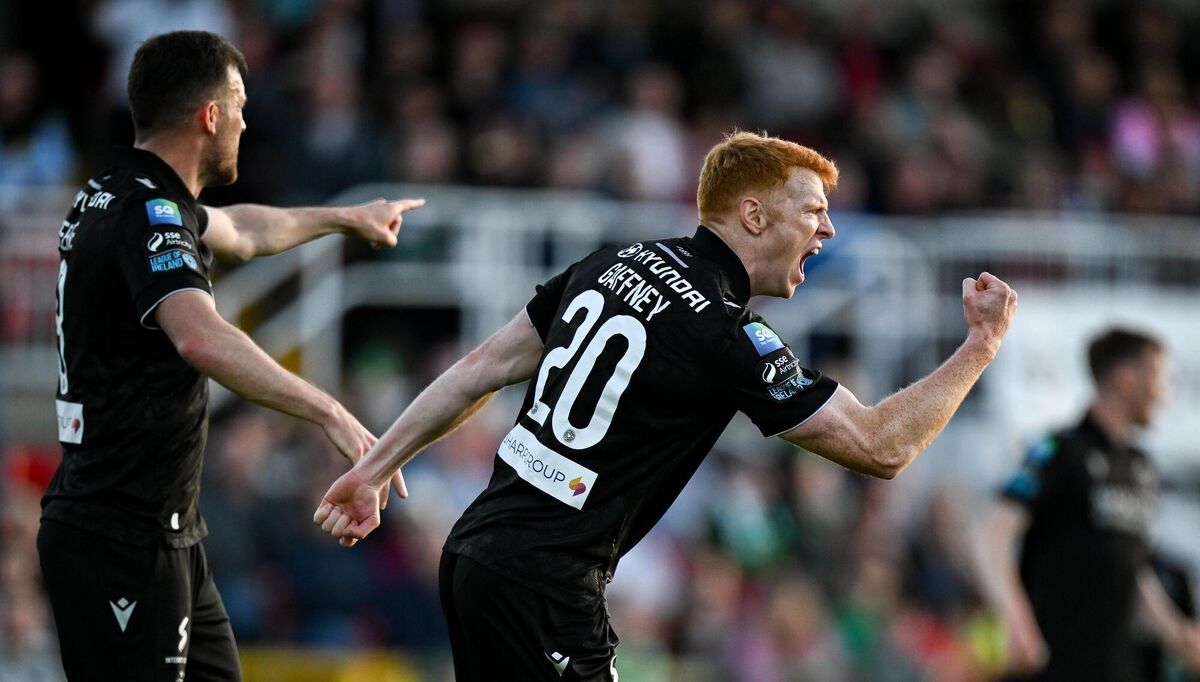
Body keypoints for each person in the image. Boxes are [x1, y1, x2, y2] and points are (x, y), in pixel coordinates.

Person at [314, 131, 1019, 681]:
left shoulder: (611, 263)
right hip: (546, 585)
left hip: (475, 555)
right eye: (813, 211)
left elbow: (477, 370)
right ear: (752, 214)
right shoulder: (725, 329)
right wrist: (979, 348)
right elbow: (878, 446)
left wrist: (374, 468)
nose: (828, 231)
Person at [37, 31, 421, 681]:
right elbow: (199, 336)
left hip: (166, 532)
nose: (246, 119)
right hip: (120, 537)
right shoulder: (148, 213)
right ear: (209, 116)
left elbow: (242, 230)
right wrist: (327, 409)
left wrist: (345, 218)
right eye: (237, 103)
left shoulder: (125, 192)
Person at [976, 328, 1200, 681]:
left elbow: (1133, 568)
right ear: (1125, 378)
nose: (1164, 394)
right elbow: (993, 534)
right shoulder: (1057, 451)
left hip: (1117, 668)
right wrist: (1015, 620)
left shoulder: (1141, 467)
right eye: (1157, 376)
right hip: (1052, 665)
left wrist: (1177, 634)